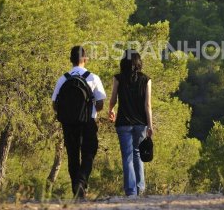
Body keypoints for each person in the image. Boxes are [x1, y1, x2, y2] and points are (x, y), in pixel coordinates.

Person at [51, 46, 106, 199]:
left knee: (72, 155)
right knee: (89, 153)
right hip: (88, 121)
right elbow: (100, 104)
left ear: (71, 60)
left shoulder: (63, 78)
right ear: (85, 59)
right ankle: (81, 182)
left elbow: (55, 104)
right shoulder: (93, 77)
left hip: (68, 124)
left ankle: (77, 191)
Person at [108, 49, 153, 197]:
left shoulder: (118, 78)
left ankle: (131, 192)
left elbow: (113, 99)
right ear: (139, 63)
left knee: (127, 156)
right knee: (137, 153)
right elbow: (148, 105)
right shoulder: (146, 79)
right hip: (141, 123)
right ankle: (140, 188)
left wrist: (111, 109)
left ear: (124, 62)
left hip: (123, 122)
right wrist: (150, 125)